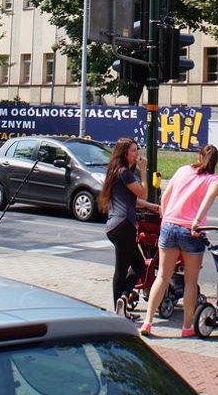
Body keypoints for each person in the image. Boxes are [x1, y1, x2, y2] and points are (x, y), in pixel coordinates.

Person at [139, 144, 218, 338]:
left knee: (162, 277)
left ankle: (148, 322)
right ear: (215, 162)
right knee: (190, 282)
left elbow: (166, 195)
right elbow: (208, 198)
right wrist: (196, 220)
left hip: (169, 226)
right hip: (191, 232)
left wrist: (165, 216)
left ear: (199, 156)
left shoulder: (183, 170)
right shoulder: (214, 179)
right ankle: (187, 327)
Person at [98, 137, 157, 319]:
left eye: (137, 149)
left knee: (138, 265)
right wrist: (144, 170)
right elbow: (143, 191)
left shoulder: (117, 171)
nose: (137, 153)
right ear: (125, 153)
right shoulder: (125, 172)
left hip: (114, 226)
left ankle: (122, 302)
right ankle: (120, 307)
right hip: (124, 225)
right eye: (133, 150)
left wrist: (152, 207)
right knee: (123, 269)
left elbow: (133, 199)